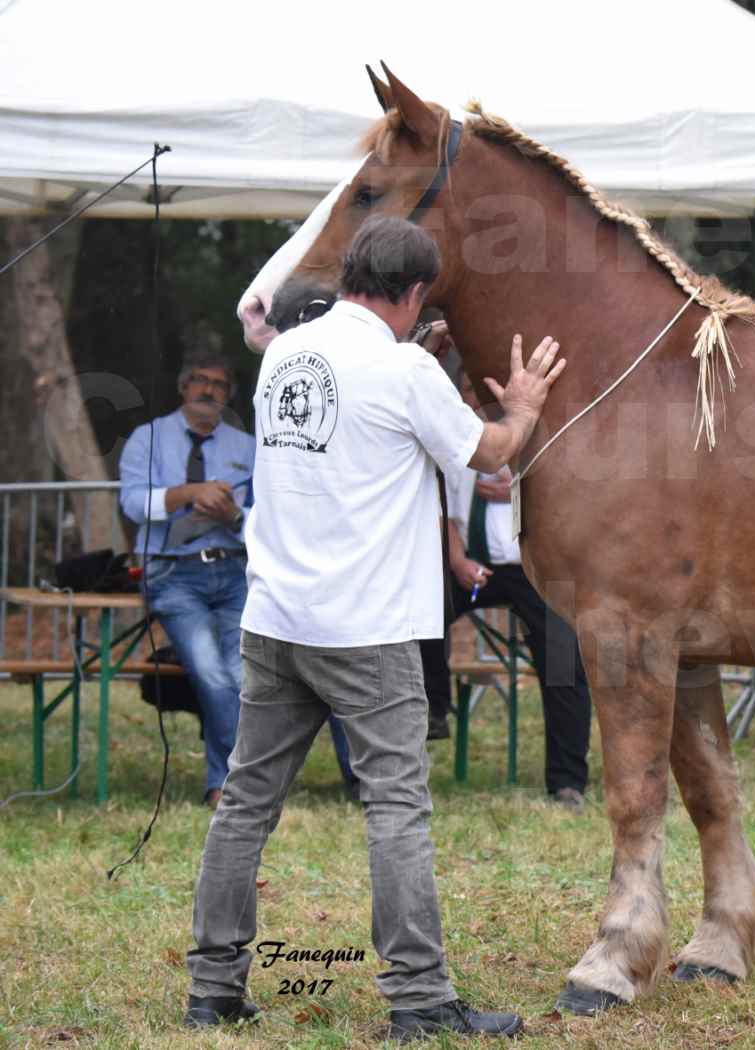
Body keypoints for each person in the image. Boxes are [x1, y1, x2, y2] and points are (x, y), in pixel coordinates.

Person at [185, 215, 564, 1039]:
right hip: (370, 629)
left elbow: (357, 420)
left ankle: (213, 987)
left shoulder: (288, 350)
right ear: (417, 291)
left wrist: (413, 361)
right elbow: (492, 452)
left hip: (277, 619)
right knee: (397, 808)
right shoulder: (403, 372)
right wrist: (527, 404)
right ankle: (420, 999)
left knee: (245, 803)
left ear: (350, 273)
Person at [434, 369, 595, 805]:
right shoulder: (454, 442)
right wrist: (458, 561)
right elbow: (444, 510)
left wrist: (522, 489)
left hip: (533, 568)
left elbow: (574, 508)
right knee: (421, 610)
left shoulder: (538, 438)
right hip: (473, 566)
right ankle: (433, 712)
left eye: (478, 390)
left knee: (563, 659)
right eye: (465, 391)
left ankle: (567, 781)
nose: (472, 399)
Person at [118, 353, 254, 807]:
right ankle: (230, 784)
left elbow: (266, 516)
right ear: (183, 387)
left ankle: (226, 785)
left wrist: (232, 513)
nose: (208, 390)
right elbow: (134, 505)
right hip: (173, 572)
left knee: (239, 675)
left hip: (234, 569)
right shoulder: (148, 438)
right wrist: (188, 494)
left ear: (228, 394)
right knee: (212, 675)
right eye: (199, 380)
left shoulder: (246, 446)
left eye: (218, 383)